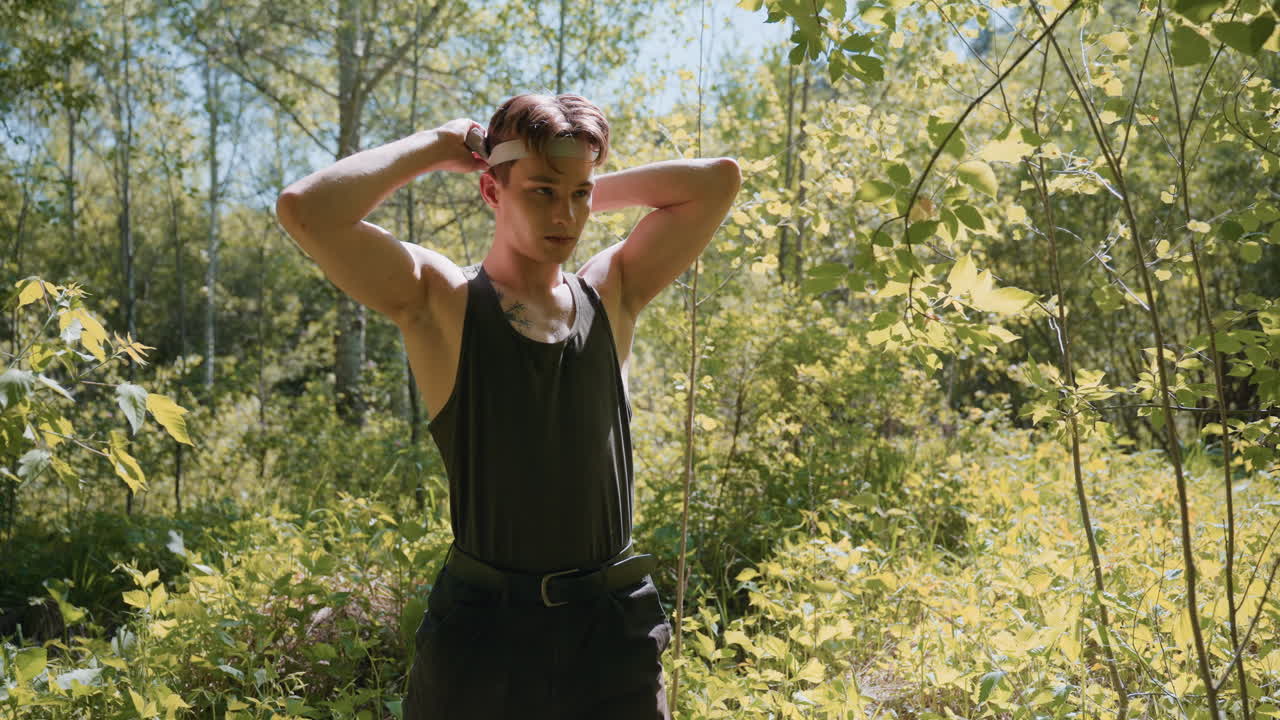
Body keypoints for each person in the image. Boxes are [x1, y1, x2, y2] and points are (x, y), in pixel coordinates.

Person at [275, 93, 740, 719]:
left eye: (579, 197)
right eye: (541, 193)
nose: (565, 216)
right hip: (485, 634)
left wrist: (566, 177)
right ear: (491, 192)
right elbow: (306, 210)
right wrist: (439, 146)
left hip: (613, 633)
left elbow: (717, 181)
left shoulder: (612, 293)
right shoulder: (444, 299)